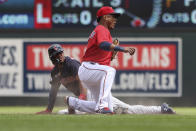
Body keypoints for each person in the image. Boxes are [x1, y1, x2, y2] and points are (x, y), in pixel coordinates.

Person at [36, 44, 87, 114]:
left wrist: (82, 99)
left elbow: (83, 81)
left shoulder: (71, 64)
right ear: (52, 57)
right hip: (82, 98)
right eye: (57, 54)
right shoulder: (55, 72)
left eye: (61, 53)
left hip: (91, 94)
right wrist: (49, 110)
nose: (60, 55)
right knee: (65, 108)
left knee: (70, 106)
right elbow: (53, 91)